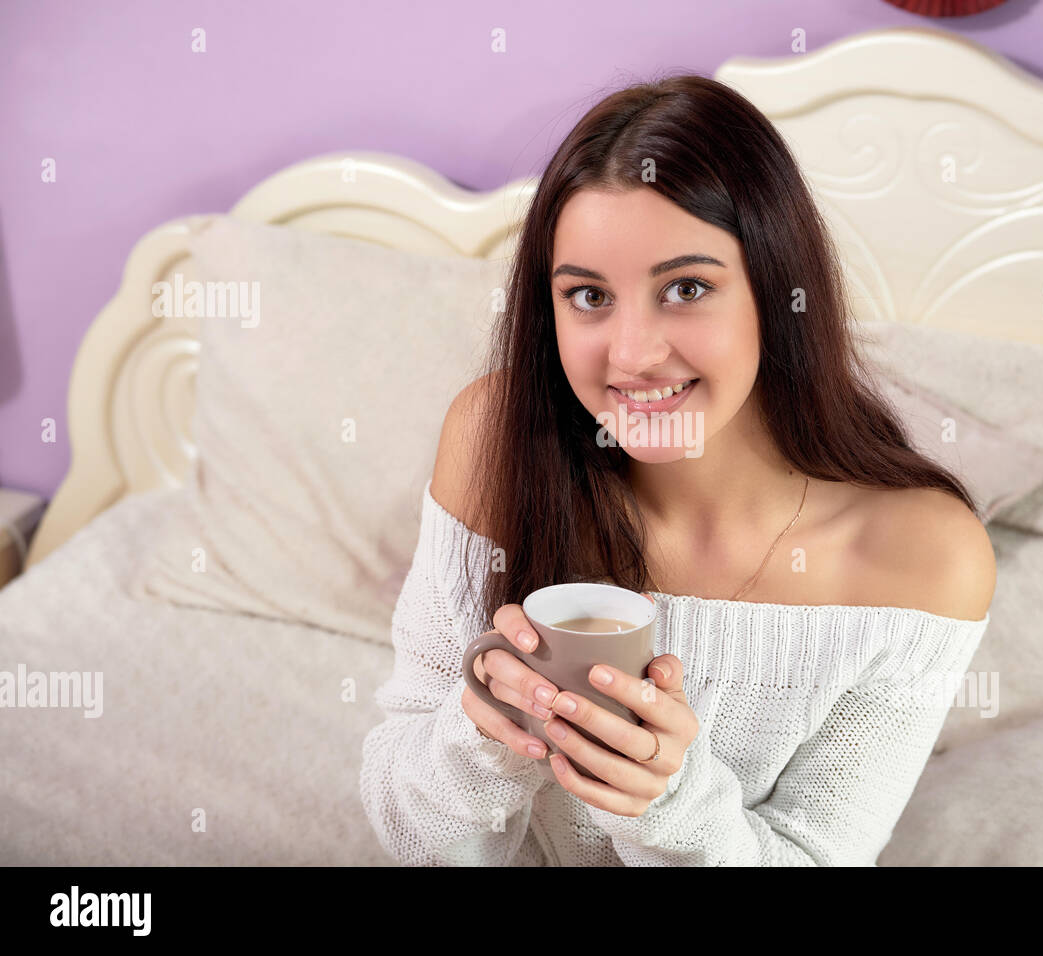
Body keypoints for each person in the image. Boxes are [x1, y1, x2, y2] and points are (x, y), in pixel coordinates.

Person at [360, 73, 996, 866]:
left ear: (775, 286)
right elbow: (408, 834)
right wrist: (488, 734)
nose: (632, 355)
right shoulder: (496, 436)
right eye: (589, 296)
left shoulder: (923, 558)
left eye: (686, 288)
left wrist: (668, 801)